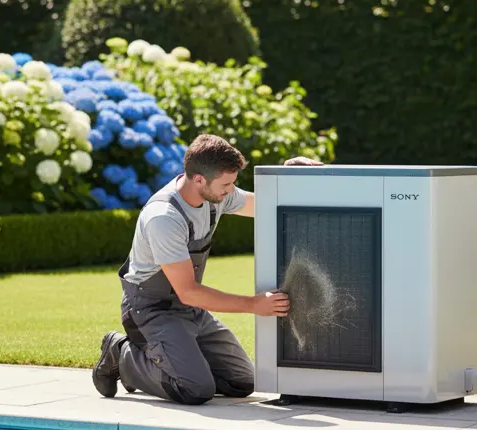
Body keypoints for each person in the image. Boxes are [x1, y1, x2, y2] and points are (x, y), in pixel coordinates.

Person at [91, 134, 323, 405]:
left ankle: (173, 362)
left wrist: (289, 177)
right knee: (195, 389)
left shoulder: (216, 196)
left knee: (243, 382)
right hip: (151, 310)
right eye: (226, 184)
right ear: (199, 179)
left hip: (190, 310)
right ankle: (120, 352)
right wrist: (254, 304)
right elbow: (188, 291)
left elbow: (265, 205)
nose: (231, 190)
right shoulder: (164, 218)